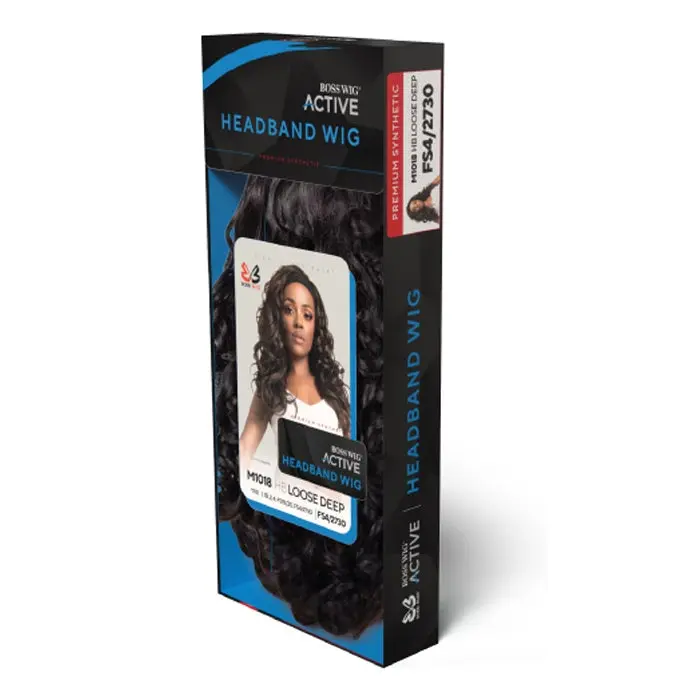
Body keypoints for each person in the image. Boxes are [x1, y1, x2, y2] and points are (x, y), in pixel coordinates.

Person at [239, 264, 350, 471]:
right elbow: (244, 450)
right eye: (289, 310)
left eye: (307, 315)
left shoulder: (333, 389)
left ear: (316, 325)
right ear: (277, 318)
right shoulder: (271, 387)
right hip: (287, 490)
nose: (299, 322)